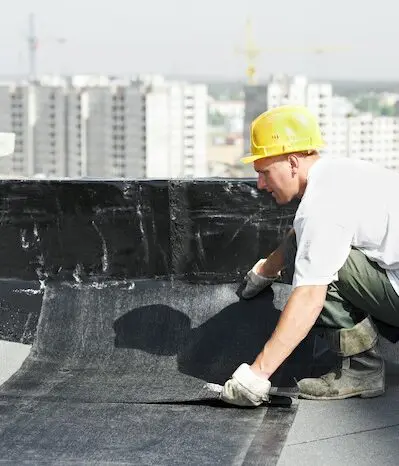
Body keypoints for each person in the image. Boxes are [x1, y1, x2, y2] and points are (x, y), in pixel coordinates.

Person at [211, 104, 399, 407]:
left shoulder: (321, 206)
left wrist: (257, 376)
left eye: (264, 172)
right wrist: (267, 270)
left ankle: (363, 369)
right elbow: (304, 236)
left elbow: (310, 296)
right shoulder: (338, 172)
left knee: (321, 268)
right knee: (313, 249)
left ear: (293, 162)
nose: (260, 184)